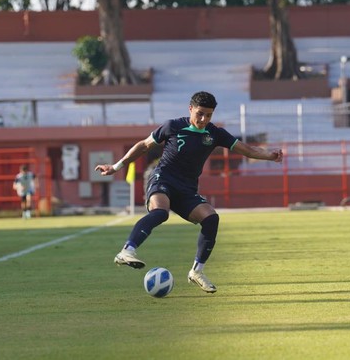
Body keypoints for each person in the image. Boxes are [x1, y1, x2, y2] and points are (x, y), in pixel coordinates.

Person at [94, 91, 283, 294]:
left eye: (208, 115)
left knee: (211, 218)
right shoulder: (173, 126)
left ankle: (197, 271)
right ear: (190, 108)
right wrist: (116, 166)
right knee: (160, 213)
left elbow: (247, 149)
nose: (203, 119)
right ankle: (127, 251)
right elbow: (143, 146)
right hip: (163, 179)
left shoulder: (215, 133)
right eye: (200, 113)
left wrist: (271, 156)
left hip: (187, 189)